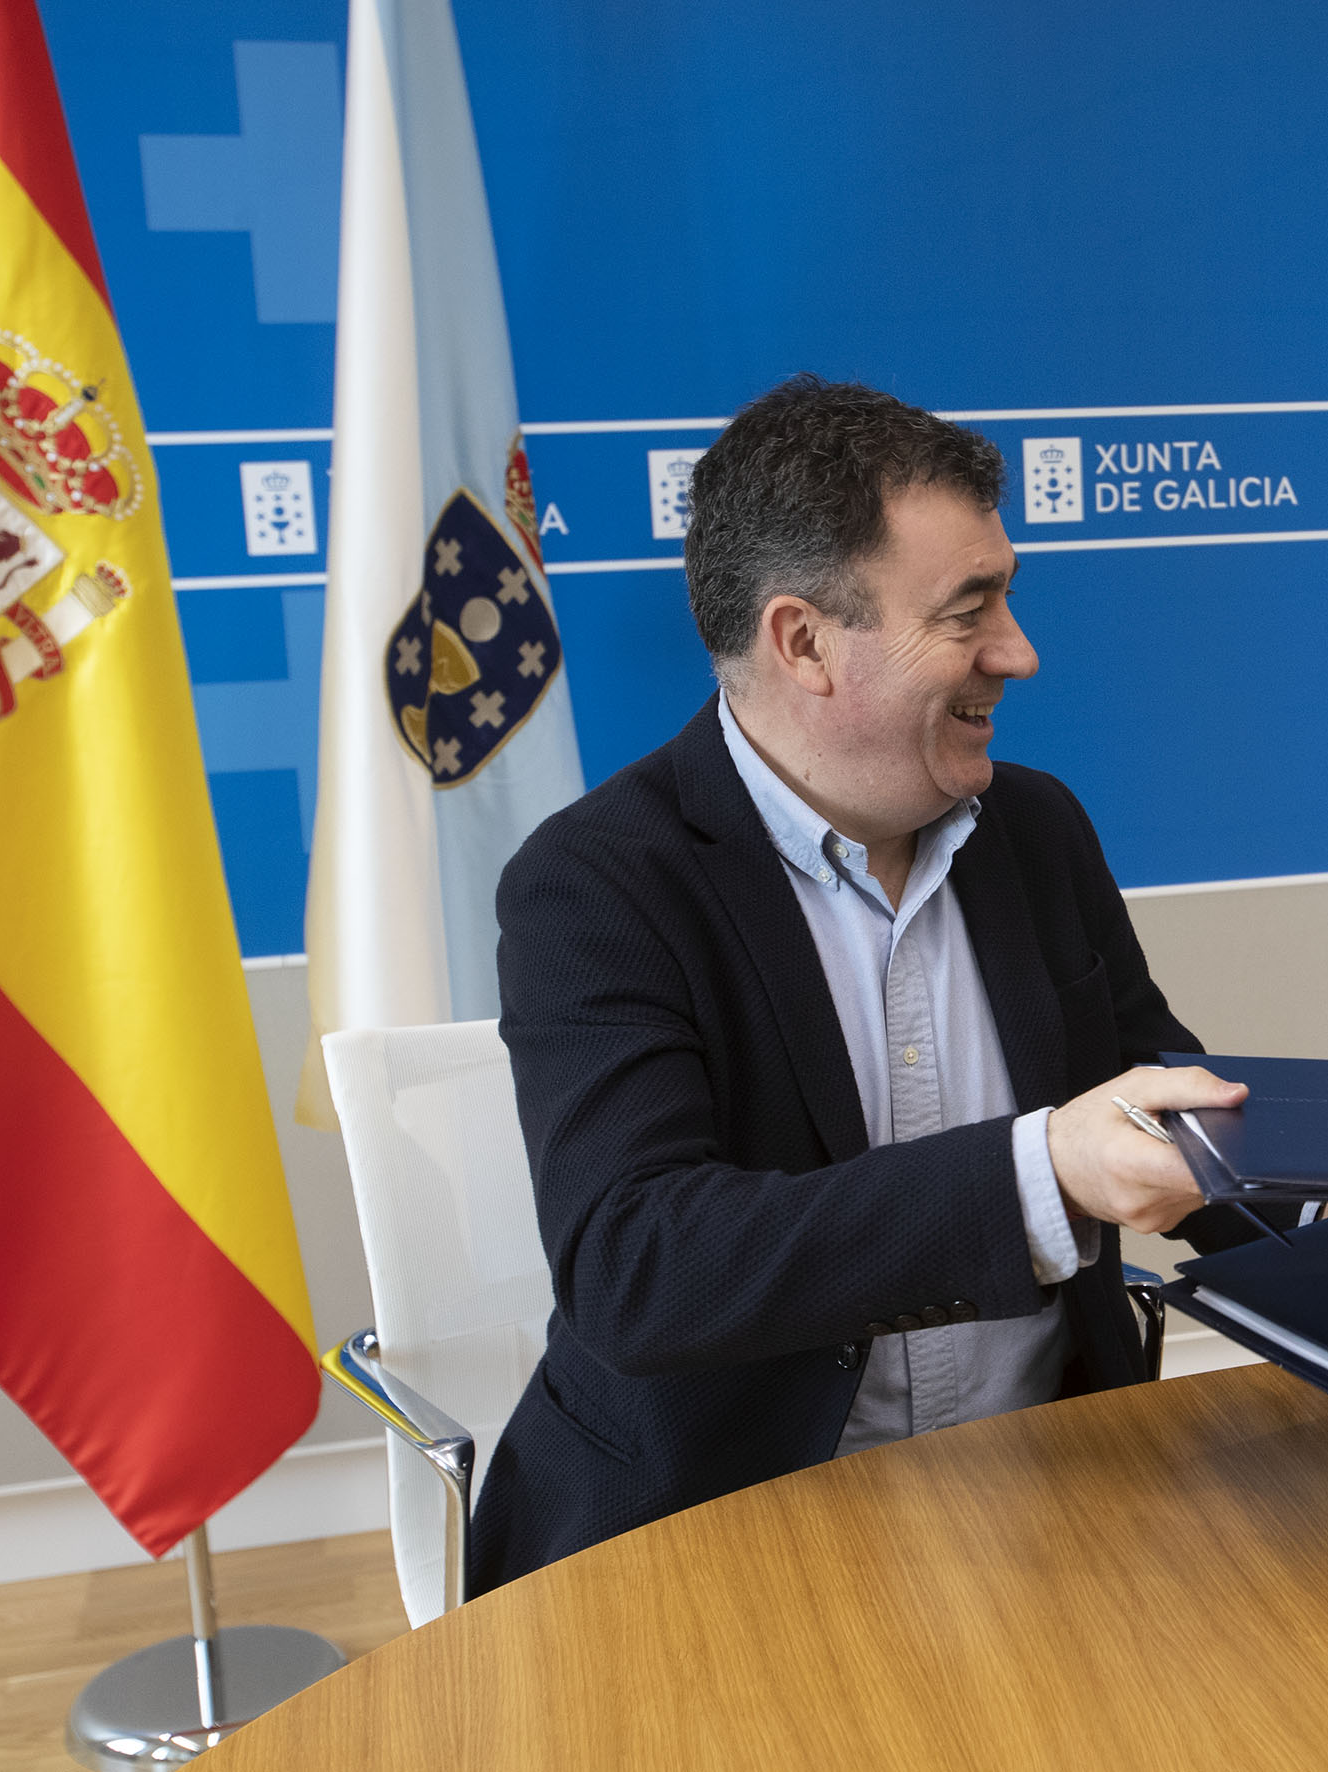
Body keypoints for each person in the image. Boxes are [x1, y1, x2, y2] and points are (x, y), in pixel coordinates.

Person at [472, 376, 1255, 1590]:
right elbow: (640, 1266)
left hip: (1058, 1496)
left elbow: (1154, 1099)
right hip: (719, 1535)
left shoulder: (1036, 828)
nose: (1020, 651)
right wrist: (1040, 1172)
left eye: (1008, 596)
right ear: (803, 642)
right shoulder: (595, 883)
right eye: (969, 610)